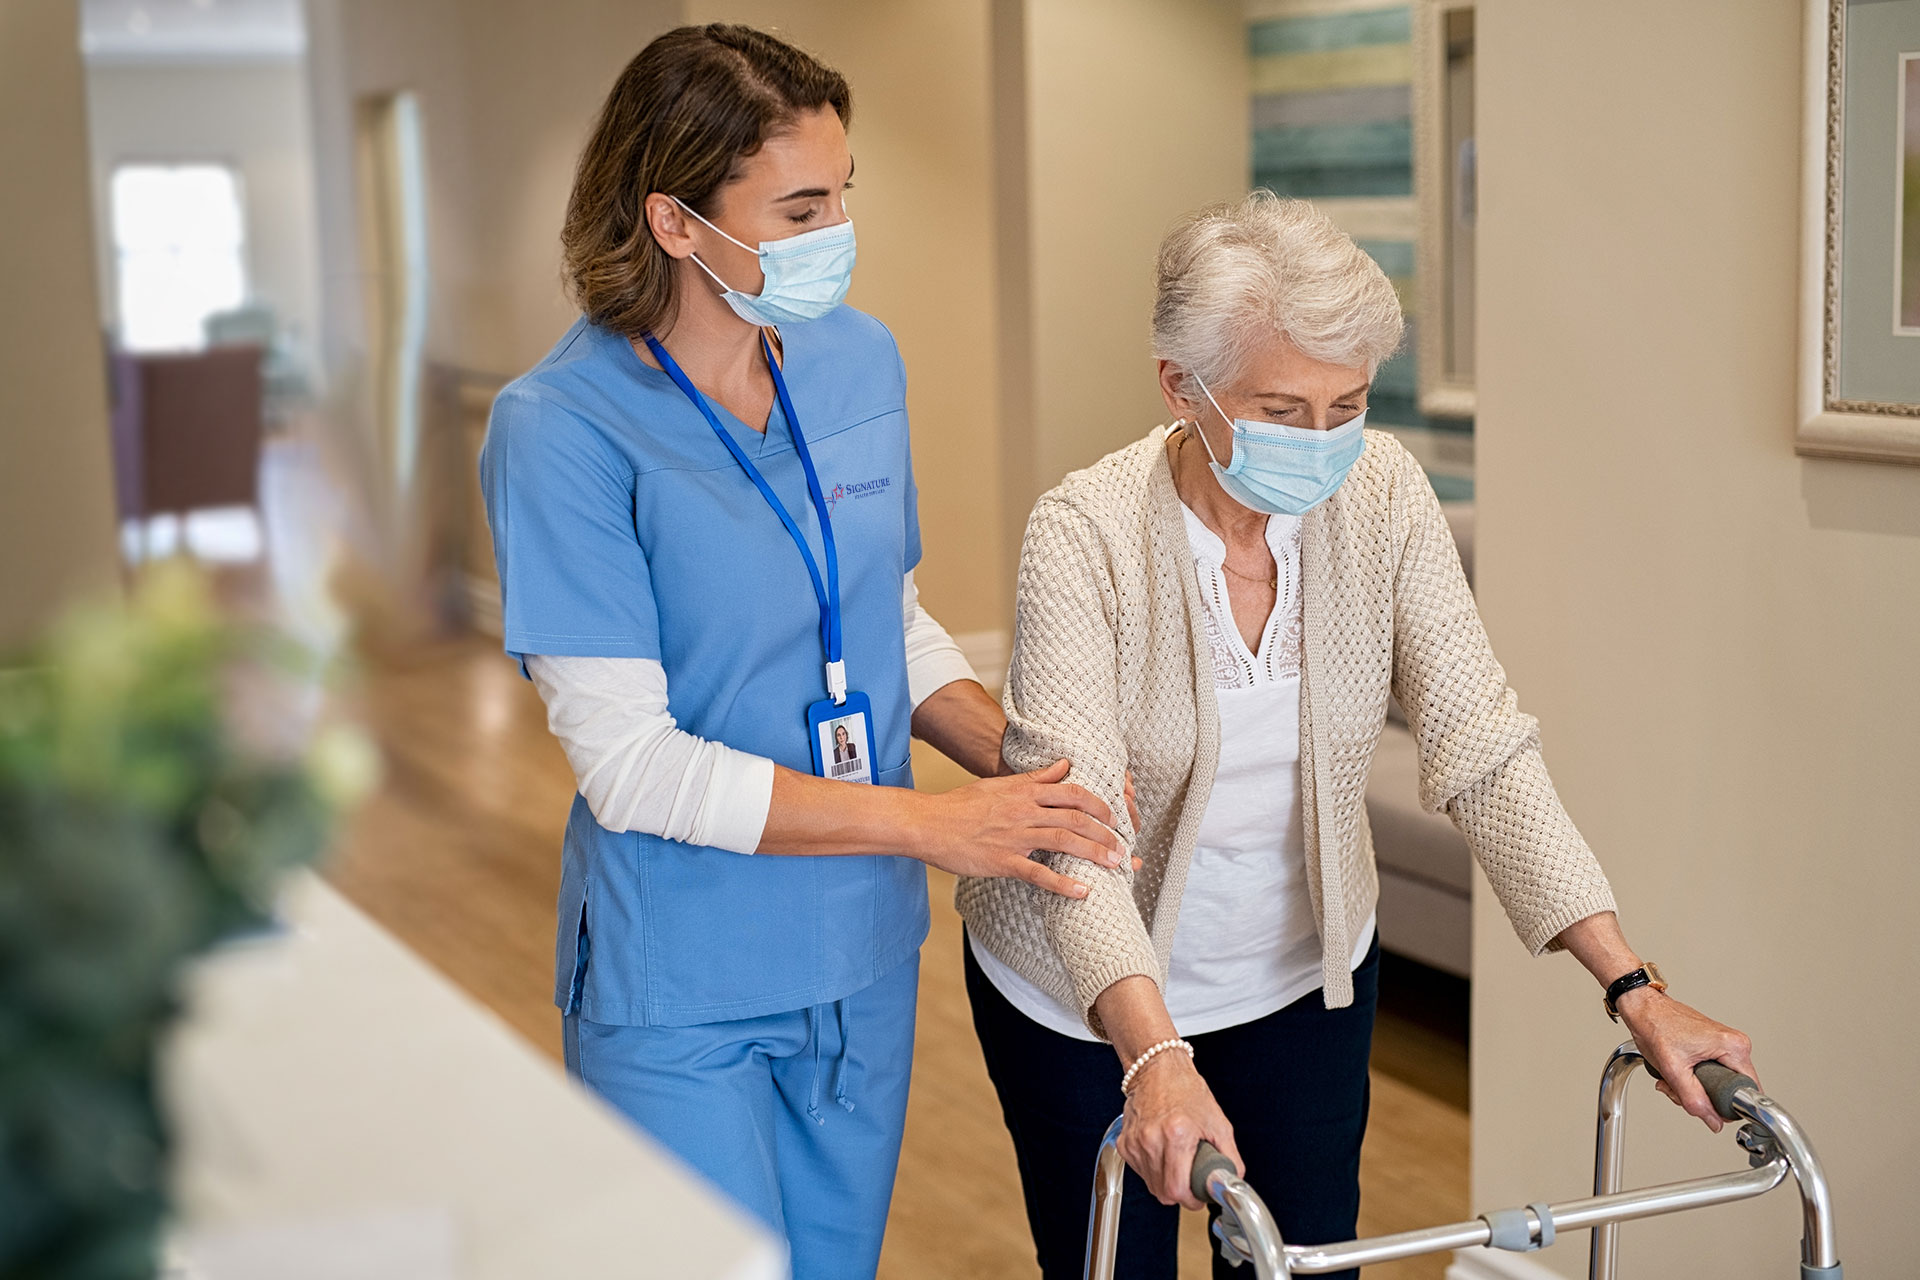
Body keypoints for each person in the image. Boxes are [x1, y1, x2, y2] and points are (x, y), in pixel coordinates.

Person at [956, 192, 1760, 1280]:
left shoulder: (1381, 490)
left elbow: (1481, 740)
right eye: (1284, 409)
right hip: (1082, 1001)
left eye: (1350, 403)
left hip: (1298, 980)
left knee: (1302, 1260)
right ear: (1178, 386)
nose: (1325, 443)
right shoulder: (1083, 532)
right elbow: (1072, 828)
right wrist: (1152, 1050)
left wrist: (1632, 984)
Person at [477, 25, 1123, 1277]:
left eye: (844, 195)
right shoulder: (560, 429)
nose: (839, 232)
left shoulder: (855, 358)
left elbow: (885, 611)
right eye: (801, 206)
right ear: (674, 220)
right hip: (683, 982)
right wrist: (939, 825)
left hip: (859, 956)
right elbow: (633, 767)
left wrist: (1021, 763)